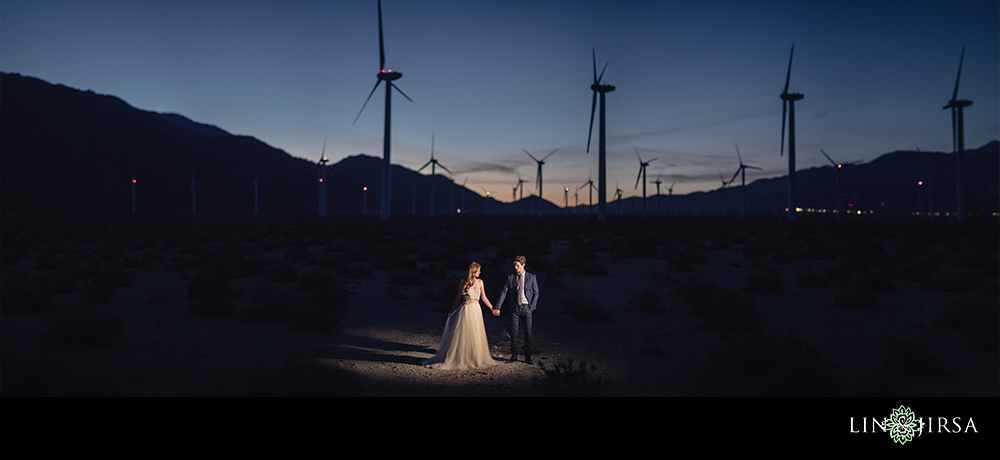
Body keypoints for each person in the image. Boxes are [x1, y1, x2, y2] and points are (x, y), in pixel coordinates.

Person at [423, 262, 497, 370]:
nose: (480, 272)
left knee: (475, 333)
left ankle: (475, 357)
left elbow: (484, 297)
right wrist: (452, 310)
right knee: (463, 334)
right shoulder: (462, 282)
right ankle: (462, 357)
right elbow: (458, 298)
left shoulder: (480, 282)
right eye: (478, 270)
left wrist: (492, 308)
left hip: (476, 309)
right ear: (473, 271)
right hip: (466, 309)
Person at [494, 255, 538, 364]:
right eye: (514, 265)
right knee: (514, 333)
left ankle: (528, 357)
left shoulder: (531, 277)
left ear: (523, 265)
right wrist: (498, 307)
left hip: (526, 308)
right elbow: (503, 292)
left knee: (528, 333)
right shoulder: (511, 278)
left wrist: (531, 307)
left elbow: (536, 293)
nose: (515, 267)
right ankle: (514, 356)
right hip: (514, 309)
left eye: (517, 265)